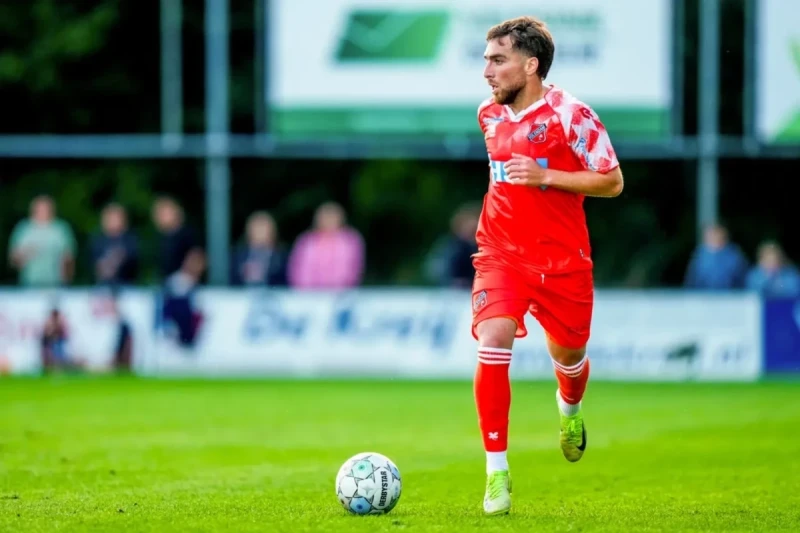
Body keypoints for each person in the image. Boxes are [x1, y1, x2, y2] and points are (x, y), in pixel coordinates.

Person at [472, 16, 623, 515]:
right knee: (492, 339)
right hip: (500, 254)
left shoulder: (571, 115)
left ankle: (570, 404)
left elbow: (612, 181)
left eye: (498, 60)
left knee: (570, 357)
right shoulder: (488, 116)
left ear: (530, 65)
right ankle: (497, 474)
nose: (487, 71)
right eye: (487, 59)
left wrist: (546, 176)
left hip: (562, 262)